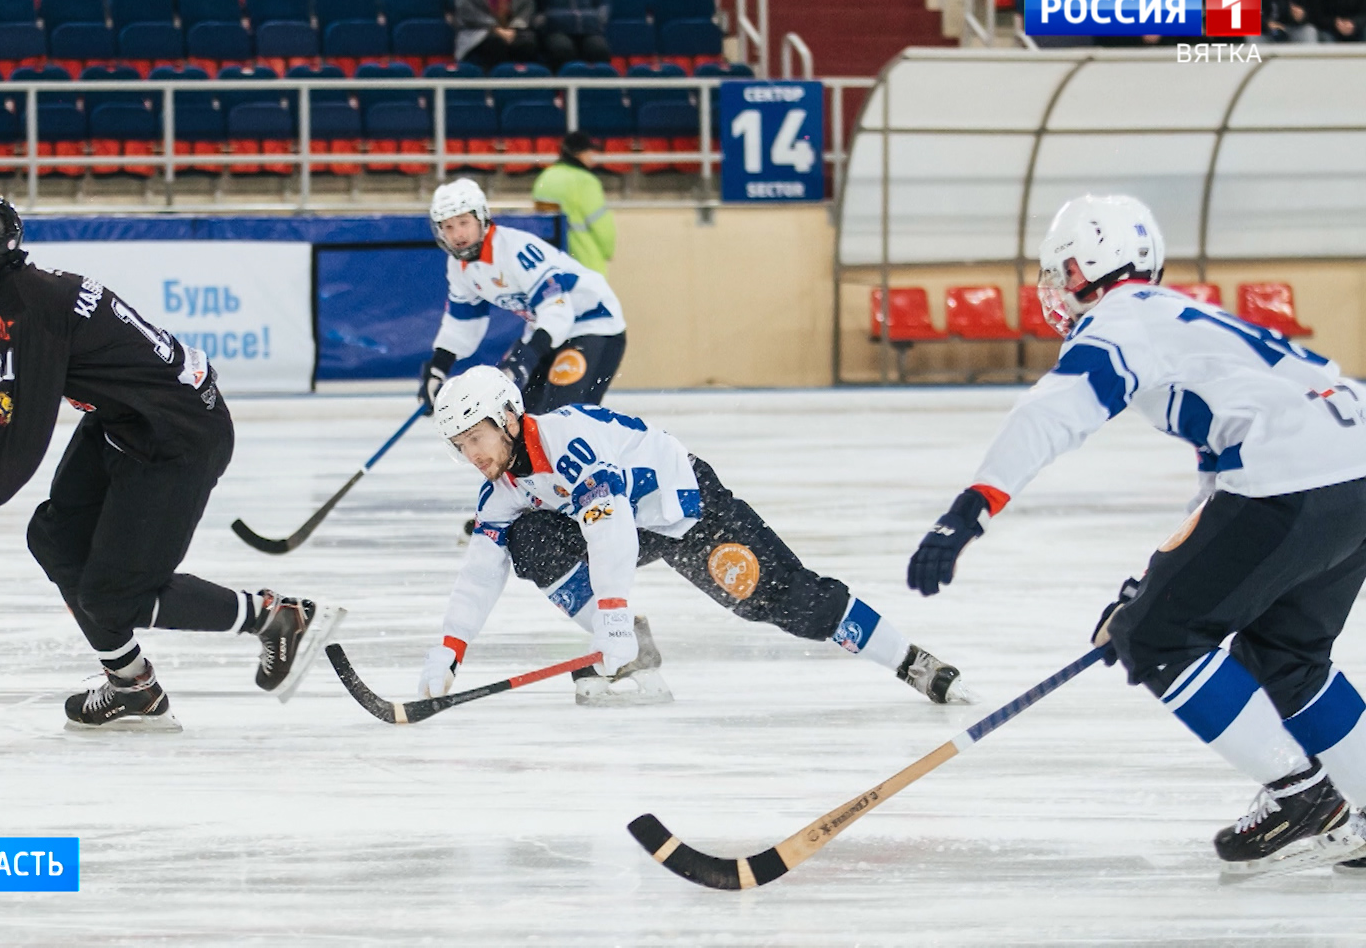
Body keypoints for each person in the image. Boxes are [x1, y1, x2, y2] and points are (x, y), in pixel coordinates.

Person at [905, 194, 1366, 877]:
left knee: (1160, 640)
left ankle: (1302, 797)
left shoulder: (1122, 321)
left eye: (1060, 271)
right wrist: (1150, 585)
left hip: (1290, 479)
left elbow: (1053, 411)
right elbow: (1220, 481)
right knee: (1286, 653)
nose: (1054, 290)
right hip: (1351, 472)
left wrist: (970, 510)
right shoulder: (1181, 316)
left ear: (1093, 264)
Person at [0, 193, 345, 732]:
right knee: (57, 540)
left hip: (177, 439)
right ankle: (133, 688)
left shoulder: (25, 310)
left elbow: (14, 437)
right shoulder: (27, 293)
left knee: (114, 599)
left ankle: (279, 617)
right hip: (128, 423)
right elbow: (13, 429)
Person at [419, 366, 979, 707]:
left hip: (690, 516)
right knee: (526, 541)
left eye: (476, 438)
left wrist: (611, 613)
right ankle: (631, 649)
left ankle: (912, 661)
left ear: (510, 417)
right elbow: (480, 570)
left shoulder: (568, 439)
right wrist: (450, 650)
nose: (472, 455)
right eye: (461, 446)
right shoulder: (504, 487)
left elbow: (609, 526)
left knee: (784, 600)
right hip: (630, 527)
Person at [418, 177, 626, 418]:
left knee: (562, 418)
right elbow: (462, 324)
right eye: (448, 227)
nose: (457, 234)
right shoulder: (459, 266)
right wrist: (437, 369)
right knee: (516, 417)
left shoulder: (516, 250)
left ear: (482, 219)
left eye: (464, 222)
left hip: (594, 325)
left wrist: (528, 355)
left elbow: (557, 307)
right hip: (548, 330)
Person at [531, 131, 616, 274]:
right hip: (584, 262)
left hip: (550, 264)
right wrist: (608, 250)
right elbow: (601, 223)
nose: (592, 158)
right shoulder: (585, 181)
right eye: (589, 152)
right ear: (580, 154)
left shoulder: (544, 179)